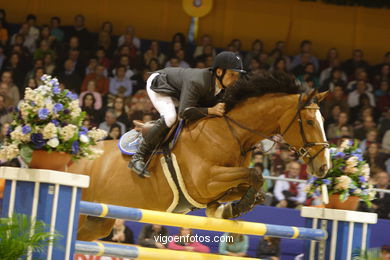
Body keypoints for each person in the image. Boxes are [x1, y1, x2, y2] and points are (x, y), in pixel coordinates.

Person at [129, 51, 246, 177]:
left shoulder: (223, 87)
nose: (235, 79)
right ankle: (138, 157)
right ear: (219, 72)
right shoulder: (198, 81)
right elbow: (184, 113)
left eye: (237, 75)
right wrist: (210, 110)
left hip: (179, 90)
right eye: (232, 74)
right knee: (171, 117)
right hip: (161, 84)